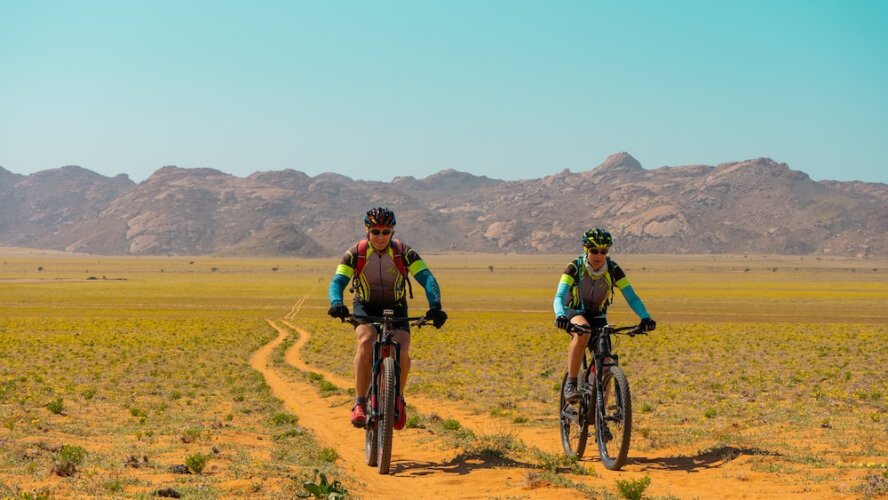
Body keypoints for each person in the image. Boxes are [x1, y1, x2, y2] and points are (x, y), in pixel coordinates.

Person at [327, 207, 447, 429]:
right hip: (365, 305)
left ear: (392, 232)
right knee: (366, 340)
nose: (380, 237)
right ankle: (359, 403)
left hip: (396, 306)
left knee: (402, 346)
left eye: (385, 232)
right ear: (367, 231)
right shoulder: (355, 253)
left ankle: (398, 399)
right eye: (375, 231)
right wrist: (336, 303)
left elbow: (427, 278)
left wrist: (435, 306)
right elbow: (338, 281)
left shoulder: (404, 253)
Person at [553, 228, 656, 403]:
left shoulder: (613, 269)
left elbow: (632, 297)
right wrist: (560, 315)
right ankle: (571, 383)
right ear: (586, 249)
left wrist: (645, 317)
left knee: (606, 364)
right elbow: (559, 296)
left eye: (604, 251)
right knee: (583, 331)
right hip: (572, 311)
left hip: (598, 317)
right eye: (594, 250)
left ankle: (601, 415)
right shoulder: (574, 268)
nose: (599, 255)